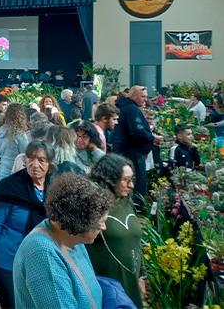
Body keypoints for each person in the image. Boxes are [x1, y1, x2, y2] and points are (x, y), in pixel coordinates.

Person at [13, 173, 113, 309]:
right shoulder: (42, 252)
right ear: (79, 222)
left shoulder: (72, 239)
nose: (103, 227)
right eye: (100, 223)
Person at [0, 141, 54, 308]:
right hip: (9, 260)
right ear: (24, 160)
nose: (35, 164)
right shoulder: (11, 188)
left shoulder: (53, 190)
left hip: (40, 261)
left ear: (50, 164)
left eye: (41, 160)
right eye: (31, 158)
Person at [88, 154, 146, 308]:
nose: (131, 185)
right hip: (107, 284)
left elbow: (136, 242)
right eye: (126, 180)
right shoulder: (94, 206)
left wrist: (141, 276)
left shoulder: (126, 201)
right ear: (110, 179)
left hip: (131, 280)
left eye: (131, 179)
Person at [113, 86, 162, 200]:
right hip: (132, 153)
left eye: (146, 96)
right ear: (133, 96)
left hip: (125, 151)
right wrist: (152, 138)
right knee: (137, 183)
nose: (145, 99)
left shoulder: (125, 107)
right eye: (142, 96)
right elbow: (137, 131)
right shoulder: (132, 110)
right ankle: (137, 207)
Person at [0, 103, 30, 182]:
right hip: (16, 171)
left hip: (2, 169)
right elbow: (25, 153)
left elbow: (0, 152)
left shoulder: (0, 130)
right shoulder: (19, 133)